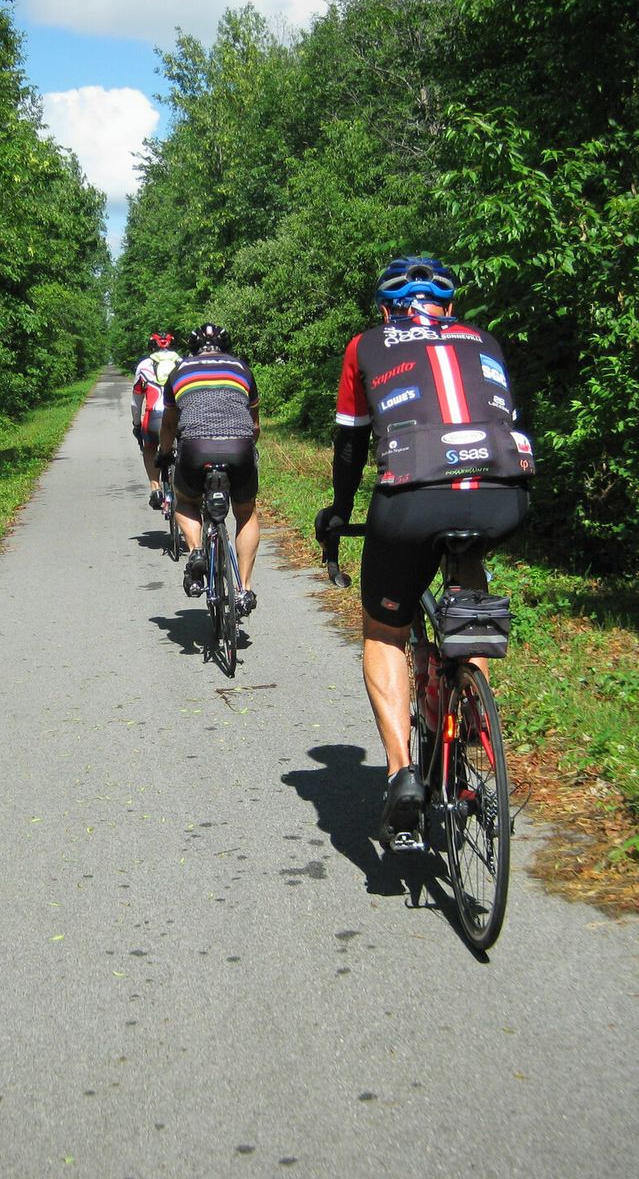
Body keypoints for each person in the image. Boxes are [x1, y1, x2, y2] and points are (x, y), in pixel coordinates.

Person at [314, 257, 533, 844]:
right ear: (450, 308)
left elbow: (350, 444)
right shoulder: (484, 340)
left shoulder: (365, 345)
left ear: (385, 310)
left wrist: (339, 512)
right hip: (504, 496)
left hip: (413, 499)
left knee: (385, 630)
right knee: (469, 597)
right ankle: (468, 718)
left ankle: (401, 774)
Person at [154, 324, 262, 616]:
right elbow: (254, 425)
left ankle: (196, 551)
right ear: (225, 347)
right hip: (238, 446)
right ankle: (244, 589)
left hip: (195, 447)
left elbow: (168, 424)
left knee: (186, 501)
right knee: (246, 512)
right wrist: (246, 451)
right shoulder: (241, 368)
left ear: (193, 348)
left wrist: (164, 454)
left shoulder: (179, 370)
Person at [132, 332, 184, 509]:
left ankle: (155, 488)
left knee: (149, 447)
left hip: (154, 416)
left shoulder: (144, 366)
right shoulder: (182, 364)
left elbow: (135, 403)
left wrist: (136, 425)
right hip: (179, 415)